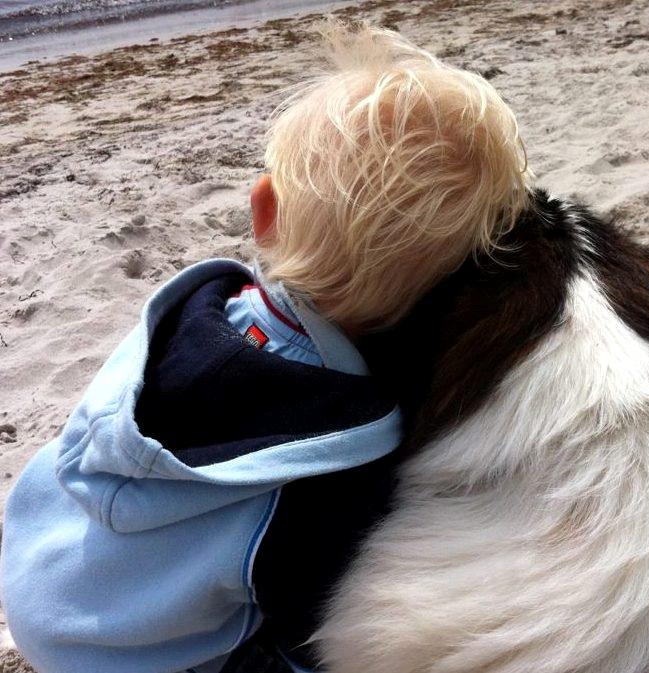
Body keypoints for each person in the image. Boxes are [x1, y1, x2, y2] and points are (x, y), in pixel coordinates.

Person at [0, 20, 529, 673]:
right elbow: (323, 626)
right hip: (123, 656)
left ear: (263, 210)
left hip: (37, 569)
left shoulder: (185, 319)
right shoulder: (335, 465)